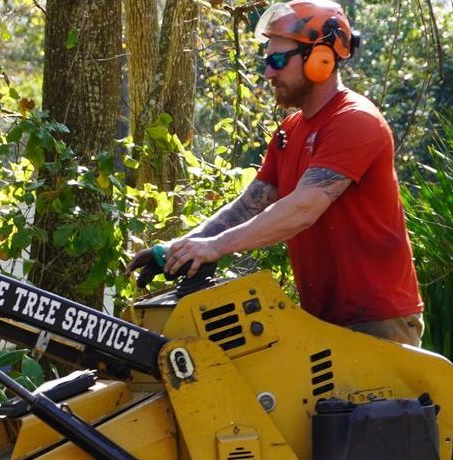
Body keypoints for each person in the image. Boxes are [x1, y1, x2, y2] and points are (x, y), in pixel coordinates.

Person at [129, 0, 425, 346]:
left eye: (278, 60)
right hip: (321, 322)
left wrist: (215, 247)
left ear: (322, 60)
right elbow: (247, 206)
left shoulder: (354, 120)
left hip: (378, 323)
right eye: (267, 60)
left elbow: (302, 209)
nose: (269, 73)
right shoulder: (291, 131)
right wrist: (181, 249)